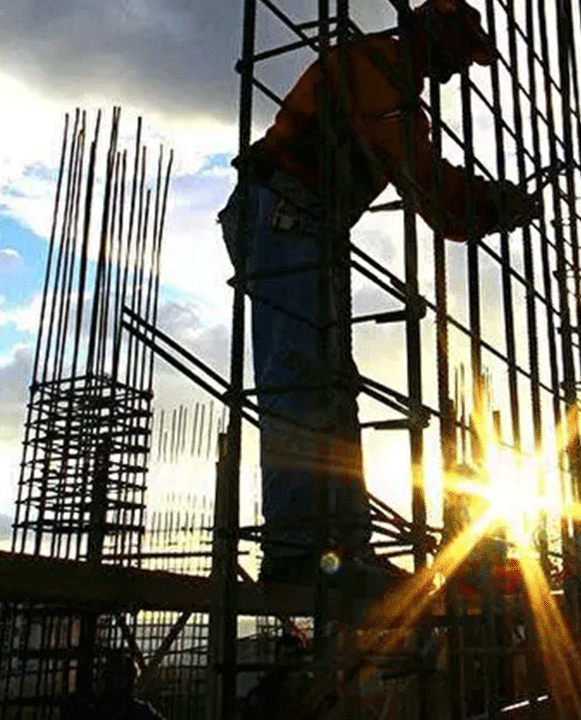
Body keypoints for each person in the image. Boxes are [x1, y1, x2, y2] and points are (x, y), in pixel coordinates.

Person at [218, 0, 542, 590]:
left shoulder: (387, 80)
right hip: (284, 212)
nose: (456, 72)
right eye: (457, 57)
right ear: (432, 38)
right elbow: (435, 194)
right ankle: (297, 553)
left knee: (331, 390)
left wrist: (495, 204)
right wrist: (500, 204)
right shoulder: (377, 72)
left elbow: (435, 192)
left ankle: (338, 552)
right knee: (300, 380)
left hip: (303, 219)